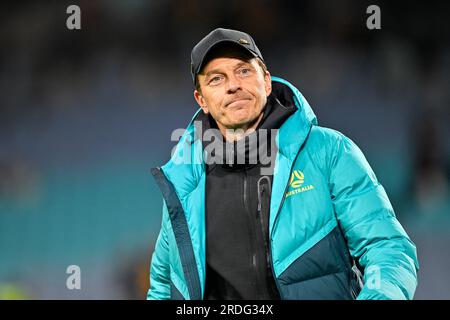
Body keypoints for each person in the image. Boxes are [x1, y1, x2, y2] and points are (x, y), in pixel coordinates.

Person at [147, 28, 419, 300]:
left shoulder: (328, 151)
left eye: (243, 71)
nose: (233, 85)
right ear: (201, 100)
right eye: (216, 79)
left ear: (266, 81)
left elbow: (387, 248)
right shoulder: (183, 180)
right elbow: (162, 286)